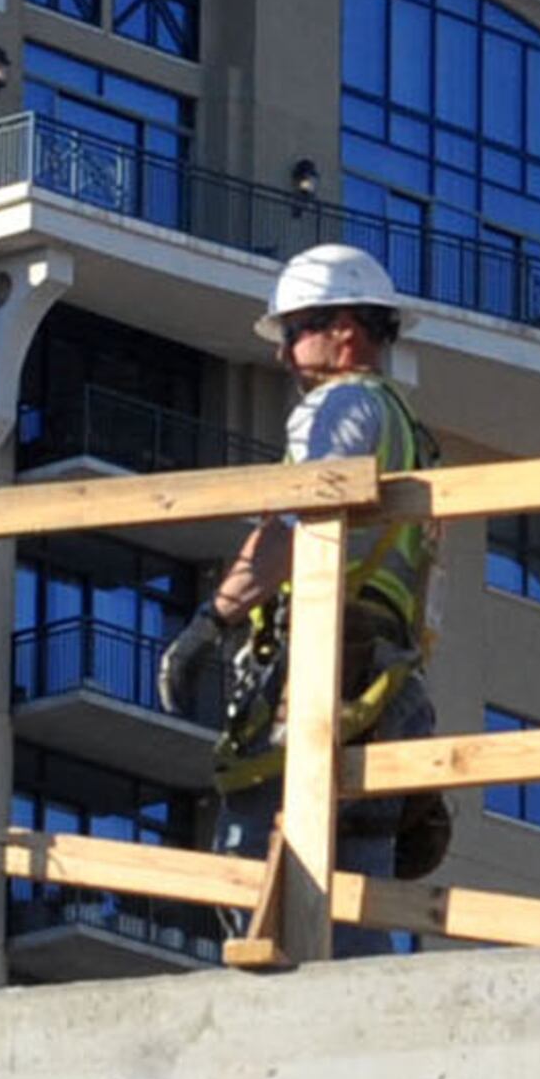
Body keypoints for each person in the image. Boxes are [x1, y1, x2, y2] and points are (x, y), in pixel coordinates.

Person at [155, 246, 449, 956]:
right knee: (353, 883)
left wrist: (211, 620)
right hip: (384, 680)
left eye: (296, 330)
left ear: (345, 329)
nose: (286, 352)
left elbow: (297, 519)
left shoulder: (340, 404)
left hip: (325, 670)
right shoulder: (410, 430)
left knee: (253, 857)